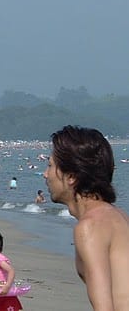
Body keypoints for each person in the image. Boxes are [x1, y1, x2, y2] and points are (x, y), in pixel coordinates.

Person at [45, 125, 129, 311]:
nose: (46, 174)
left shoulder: (90, 226)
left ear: (71, 177)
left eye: (50, 165)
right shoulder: (119, 217)